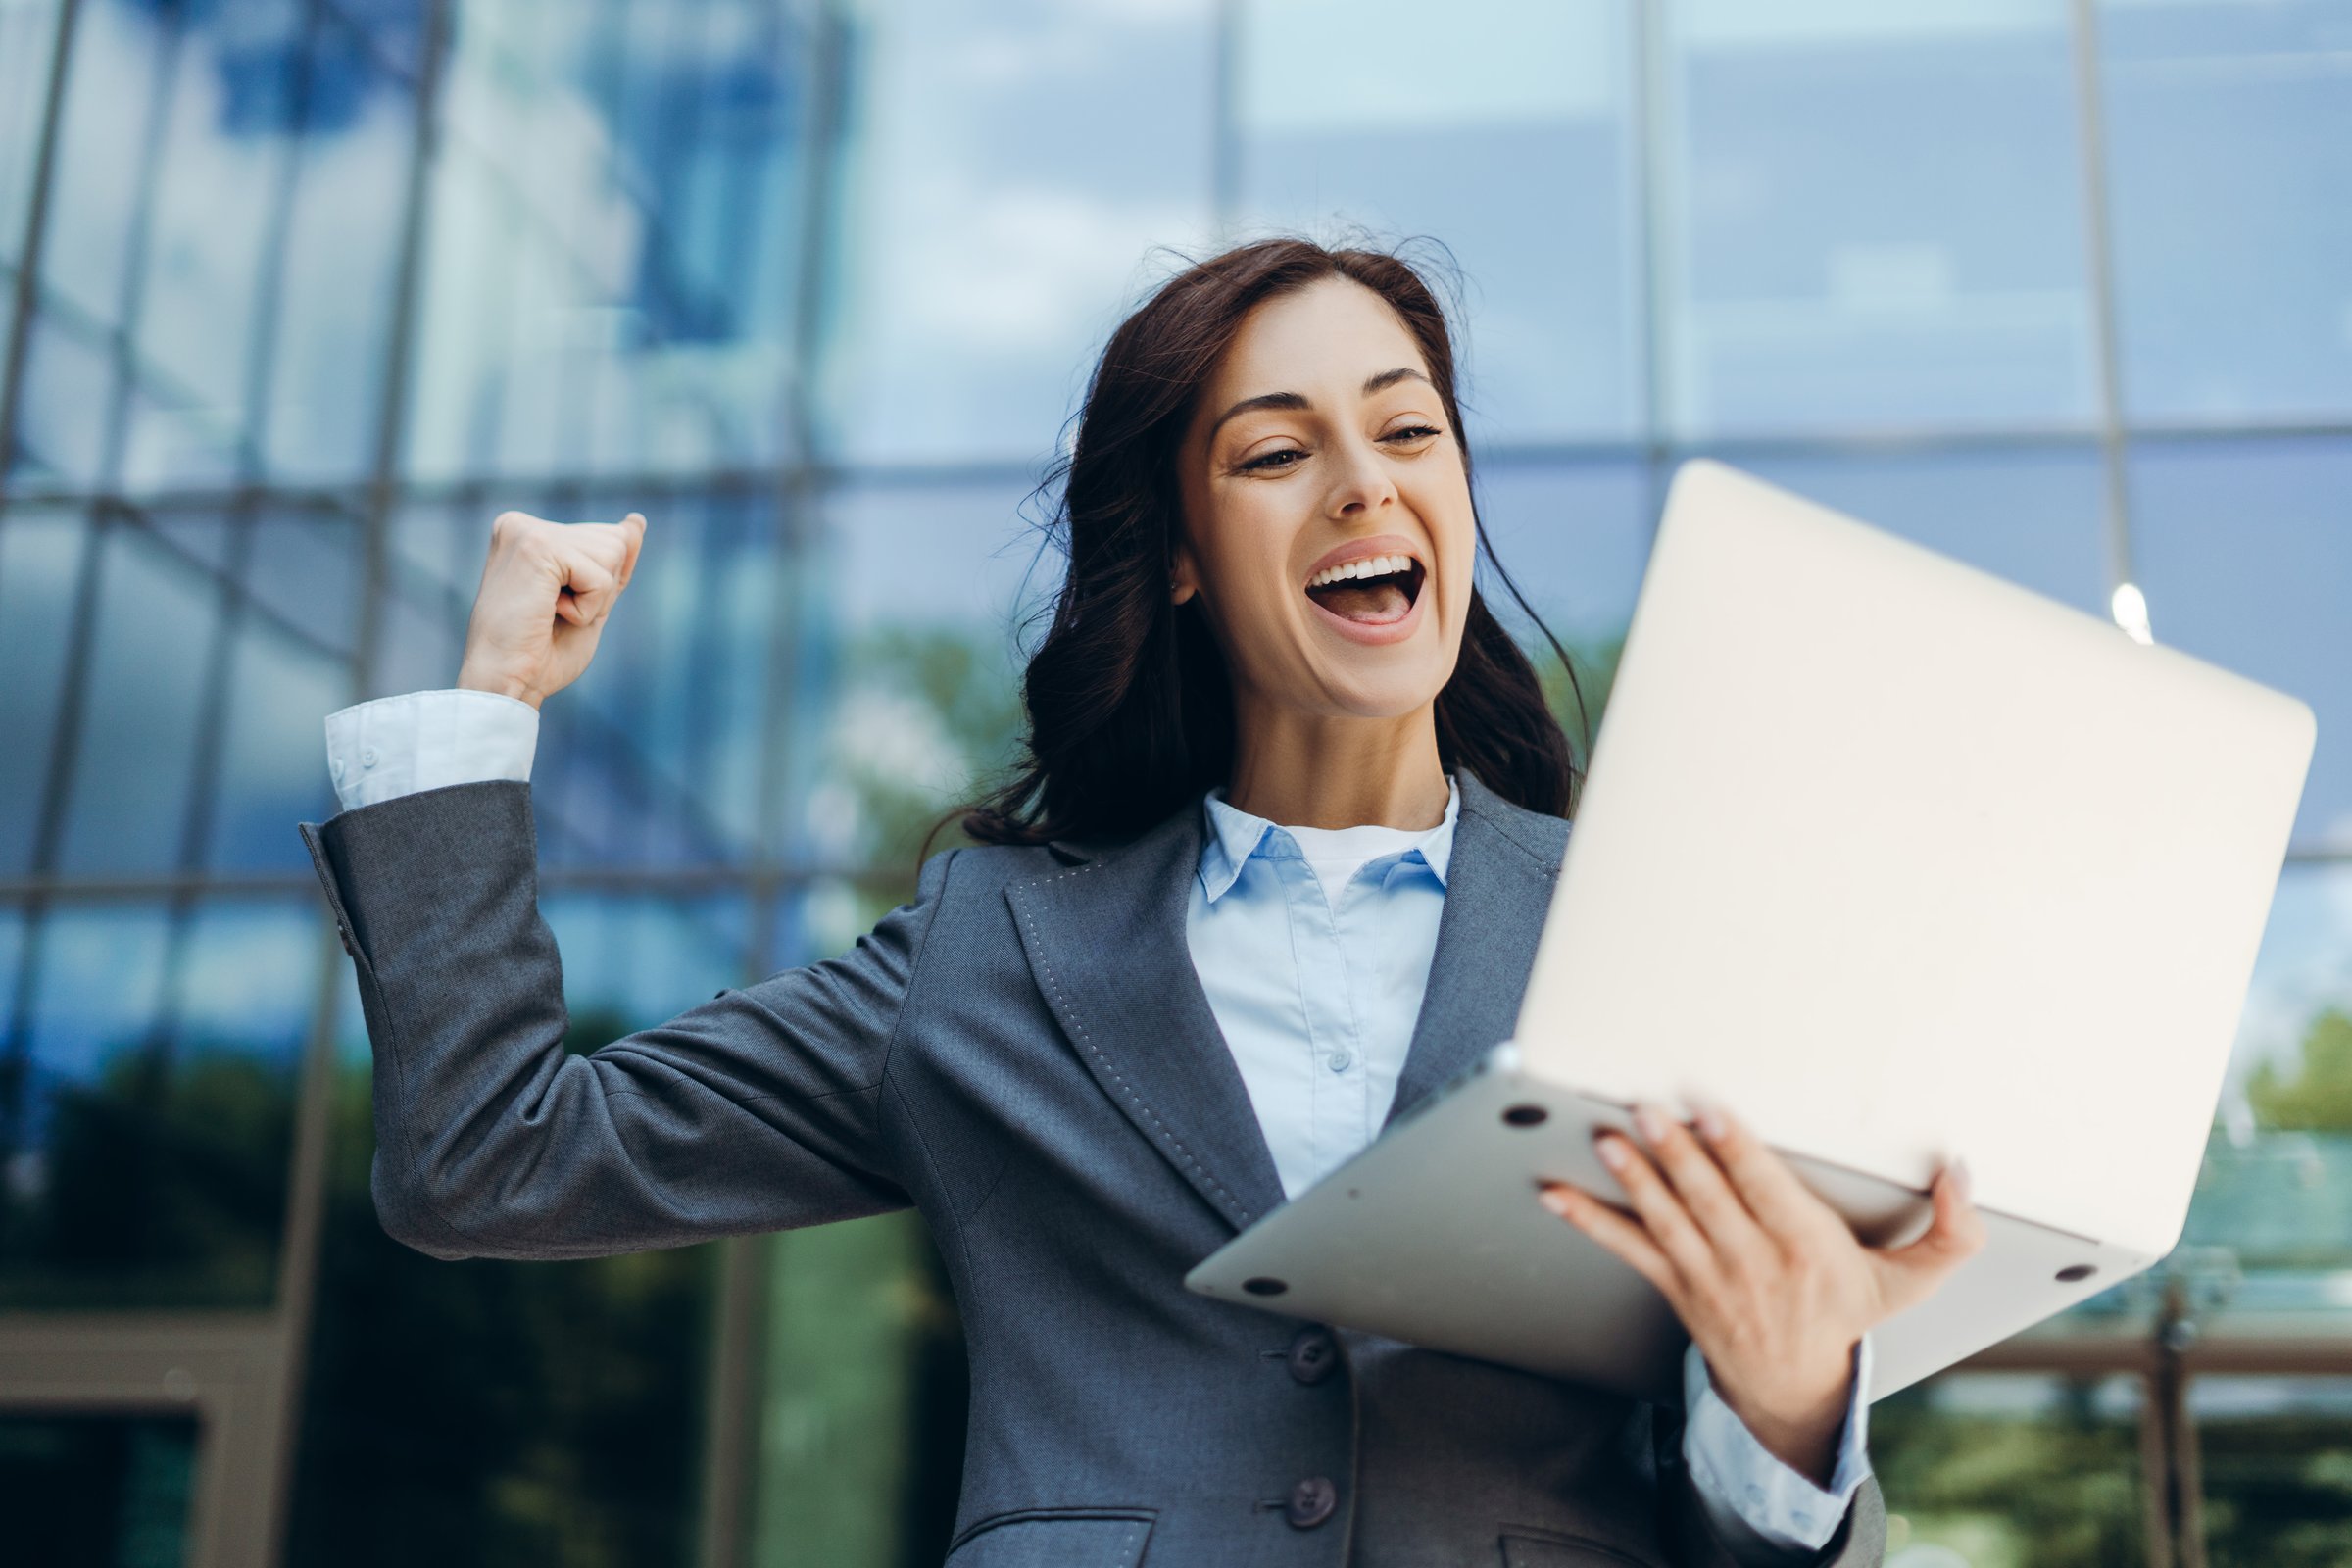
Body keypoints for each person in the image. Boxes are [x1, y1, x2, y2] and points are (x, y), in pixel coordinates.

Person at [300, 238, 1983, 1567]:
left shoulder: (1663, 943)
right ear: (1177, 547)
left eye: (1409, 429)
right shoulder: (989, 956)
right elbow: (486, 1159)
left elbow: (1751, 1524)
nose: (1364, 484)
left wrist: (1787, 1402)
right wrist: (488, 705)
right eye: (1275, 450)